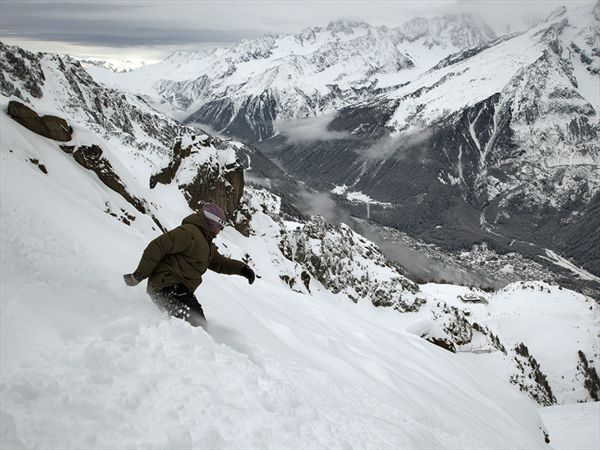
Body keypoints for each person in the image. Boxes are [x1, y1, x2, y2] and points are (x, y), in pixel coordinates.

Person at [123, 202, 255, 327]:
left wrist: (243, 269)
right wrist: (138, 276)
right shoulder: (188, 233)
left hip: (177, 289)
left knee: (193, 325)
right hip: (167, 286)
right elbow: (157, 246)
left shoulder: (205, 243)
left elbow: (220, 263)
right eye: (217, 227)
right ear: (210, 222)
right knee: (196, 325)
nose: (218, 231)